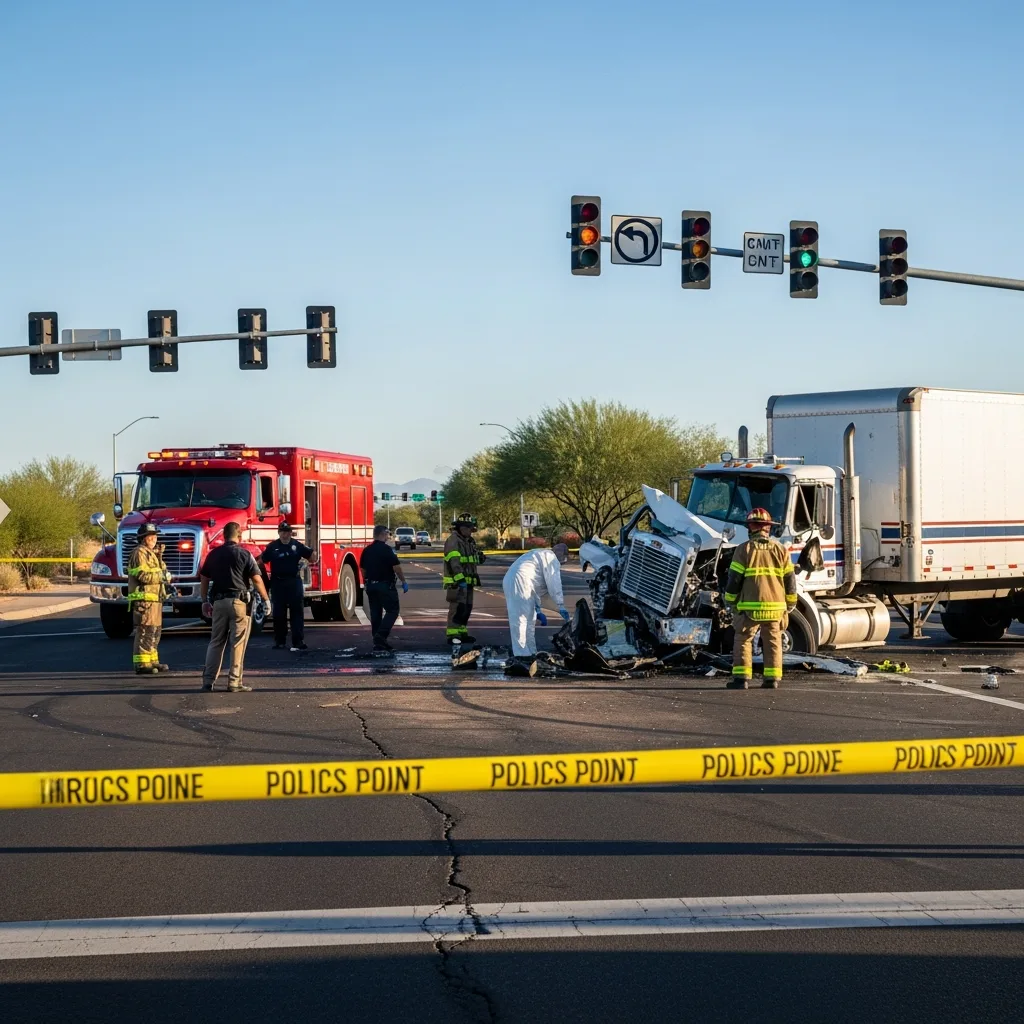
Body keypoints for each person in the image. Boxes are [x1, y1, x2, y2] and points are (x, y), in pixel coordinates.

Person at [724, 507, 797, 690]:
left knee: (743, 639)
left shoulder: (743, 549)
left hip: (749, 608)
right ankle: (771, 680)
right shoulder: (781, 550)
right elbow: (790, 580)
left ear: (750, 527)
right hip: (776, 608)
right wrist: (790, 603)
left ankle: (741, 679)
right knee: (773, 641)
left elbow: (734, 579)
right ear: (768, 528)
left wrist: (730, 601)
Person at [199, 521, 270, 692]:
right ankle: (234, 682)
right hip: (239, 603)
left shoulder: (213, 554)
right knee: (237, 642)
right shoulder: (245, 554)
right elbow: (257, 579)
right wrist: (266, 599)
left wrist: (204, 601)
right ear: (239, 536)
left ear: (224, 535)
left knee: (216, 642)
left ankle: (208, 681)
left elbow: (204, 577)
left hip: (218, 602)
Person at [502, 545, 571, 663]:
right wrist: (560, 605)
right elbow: (554, 584)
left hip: (517, 580)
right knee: (521, 619)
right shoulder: (551, 557)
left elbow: (536, 588)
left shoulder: (540, 554)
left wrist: (538, 610)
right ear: (562, 554)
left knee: (529, 620)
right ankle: (521, 655)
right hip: (520, 581)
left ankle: (530, 653)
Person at [261, 521, 317, 651]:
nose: (285, 535)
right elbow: (261, 561)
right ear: (279, 533)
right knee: (279, 613)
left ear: (291, 533)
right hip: (278, 583)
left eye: (287, 532)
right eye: (282, 532)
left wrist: (310, 556)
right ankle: (280, 641)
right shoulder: (272, 546)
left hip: (293, 582)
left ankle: (298, 641)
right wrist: (264, 578)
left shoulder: (296, 545)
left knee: (297, 613)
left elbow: (312, 557)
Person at [126, 523, 170, 675]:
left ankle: (153, 661)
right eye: (151, 536)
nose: (154, 538)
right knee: (145, 631)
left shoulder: (152, 554)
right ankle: (142, 664)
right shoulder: (139, 553)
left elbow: (162, 573)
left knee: (154, 631)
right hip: (144, 600)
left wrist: (166, 578)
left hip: (155, 600)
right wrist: (162, 577)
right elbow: (143, 575)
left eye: (155, 535)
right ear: (143, 538)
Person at [359, 525, 408, 651]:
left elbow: (363, 569)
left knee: (376, 613)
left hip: (371, 585)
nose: (388, 536)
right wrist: (403, 581)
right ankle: (381, 635)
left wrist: (367, 581)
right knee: (392, 611)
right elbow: (396, 567)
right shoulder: (387, 550)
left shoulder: (367, 550)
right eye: (387, 534)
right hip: (385, 585)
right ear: (383, 534)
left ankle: (377, 641)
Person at [442, 512, 486, 645]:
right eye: (468, 529)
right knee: (457, 607)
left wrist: (479, 558)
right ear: (461, 528)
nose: (471, 532)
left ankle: (461, 632)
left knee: (466, 608)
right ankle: (453, 634)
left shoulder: (468, 541)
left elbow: (471, 559)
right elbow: (454, 561)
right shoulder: (453, 541)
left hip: (468, 581)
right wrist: (460, 579)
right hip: (457, 582)